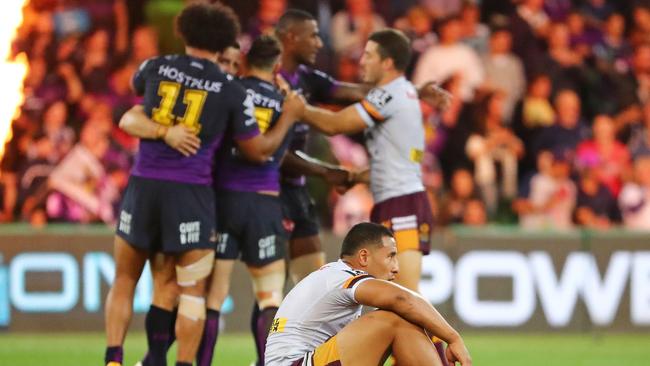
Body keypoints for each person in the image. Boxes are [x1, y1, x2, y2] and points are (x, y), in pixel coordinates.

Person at [120, 35, 303, 366]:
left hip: (220, 203)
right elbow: (269, 151)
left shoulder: (222, 93)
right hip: (262, 202)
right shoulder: (280, 100)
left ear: (244, 63)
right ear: (276, 67)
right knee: (269, 296)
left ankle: (175, 361)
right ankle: (268, 363)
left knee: (210, 299)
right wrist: (292, 113)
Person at [104, 3, 257, 366]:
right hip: (191, 192)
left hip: (143, 187)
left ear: (183, 31)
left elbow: (135, 106)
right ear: (222, 42)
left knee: (125, 280)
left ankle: (113, 359)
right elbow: (252, 147)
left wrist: (162, 130)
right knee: (190, 291)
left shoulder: (156, 67)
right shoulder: (230, 89)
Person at [286, 28, 445, 358]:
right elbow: (394, 159)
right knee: (400, 307)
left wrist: (298, 110)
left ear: (387, 62)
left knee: (406, 302)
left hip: (403, 203)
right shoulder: (404, 94)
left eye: (370, 55)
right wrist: (355, 176)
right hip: (397, 200)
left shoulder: (388, 95)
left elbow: (336, 124)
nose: (363, 61)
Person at [265, 222, 472, 366]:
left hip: (303, 360)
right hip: (298, 363)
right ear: (364, 257)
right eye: (390, 256)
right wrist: (453, 338)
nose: (396, 267)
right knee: (394, 316)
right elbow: (402, 299)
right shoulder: (340, 275)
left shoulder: (332, 275)